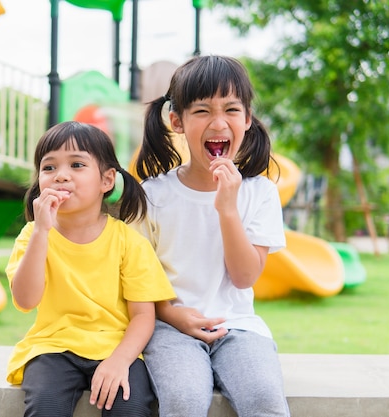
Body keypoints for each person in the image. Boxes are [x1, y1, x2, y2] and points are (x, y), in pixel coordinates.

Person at [132, 55, 291, 417]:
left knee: (266, 399)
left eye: (231, 110)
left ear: (247, 120)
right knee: (184, 400)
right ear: (177, 121)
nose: (218, 123)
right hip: (169, 326)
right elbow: (137, 283)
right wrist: (173, 316)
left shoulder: (260, 193)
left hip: (238, 326)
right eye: (202, 111)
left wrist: (227, 208)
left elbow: (245, 276)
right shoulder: (152, 195)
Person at [6, 121, 176, 417]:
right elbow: (25, 299)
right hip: (52, 347)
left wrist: (120, 360)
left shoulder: (128, 242)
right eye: (49, 168)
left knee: (133, 408)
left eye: (76, 165)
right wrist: (41, 233)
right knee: (45, 408)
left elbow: (143, 316)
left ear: (107, 180)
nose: (61, 176)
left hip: (117, 346)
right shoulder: (33, 236)